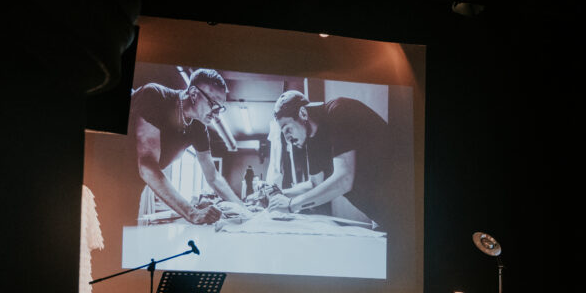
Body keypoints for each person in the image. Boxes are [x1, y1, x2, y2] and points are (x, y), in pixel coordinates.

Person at [129, 68, 250, 224]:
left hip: (133, 185)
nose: (216, 114)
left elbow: (213, 177)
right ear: (193, 94)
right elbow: (147, 165)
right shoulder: (155, 96)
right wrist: (192, 213)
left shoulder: (198, 127)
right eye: (213, 104)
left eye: (220, 108)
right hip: (107, 169)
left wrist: (244, 210)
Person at [266, 90, 390, 227]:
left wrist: (291, 205)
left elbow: (344, 179)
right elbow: (315, 185)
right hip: (381, 217)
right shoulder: (313, 141)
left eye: (287, 129)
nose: (288, 140)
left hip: (402, 201)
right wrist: (279, 195)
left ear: (303, 113)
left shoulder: (339, 111)